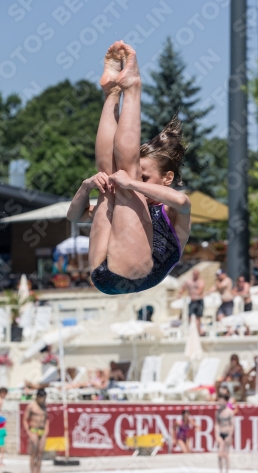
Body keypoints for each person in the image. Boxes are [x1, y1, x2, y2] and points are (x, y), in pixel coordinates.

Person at [67, 41, 191, 295]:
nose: (137, 179)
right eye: (139, 175)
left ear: (167, 178)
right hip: (104, 273)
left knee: (120, 181)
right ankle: (113, 92)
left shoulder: (170, 210)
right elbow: (75, 215)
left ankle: (132, 88)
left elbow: (183, 201)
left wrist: (132, 183)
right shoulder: (133, 200)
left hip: (134, 275)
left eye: (145, 176)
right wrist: (86, 186)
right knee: (109, 181)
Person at [23, 388, 49, 473]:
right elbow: (25, 420)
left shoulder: (44, 406)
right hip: (33, 430)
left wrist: (46, 429)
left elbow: (47, 419)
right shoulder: (31, 406)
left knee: (40, 454)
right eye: (42, 398)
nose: (43, 400)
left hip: (42, 431)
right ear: (38, 397)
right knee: (33, 454)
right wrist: (29, 433)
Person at [178, 269, 205, 335]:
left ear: (198, 274)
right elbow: (183, 288)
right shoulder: (189, 281)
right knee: (190, 316)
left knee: (198, 318)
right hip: (192, 301)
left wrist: (195, 295)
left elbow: (200, 289)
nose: (195, 275)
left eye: (197, 274)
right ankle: (195, 331)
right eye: (194, 274)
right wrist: (180, 294)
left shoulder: (201, 281)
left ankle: (199, 332)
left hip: (199, 301)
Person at [215, 392, 234, 473]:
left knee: (226, 454)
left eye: (221, 401)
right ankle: (220, 471)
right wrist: (217, 435)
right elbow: (216, 424)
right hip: (221, 434)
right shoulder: (218, 412)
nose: (220, 402)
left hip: (227, 434)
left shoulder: (230, 412)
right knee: (220, 454)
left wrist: (230, 436)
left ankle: (227, 472)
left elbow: (232, 425)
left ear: (225, 401)